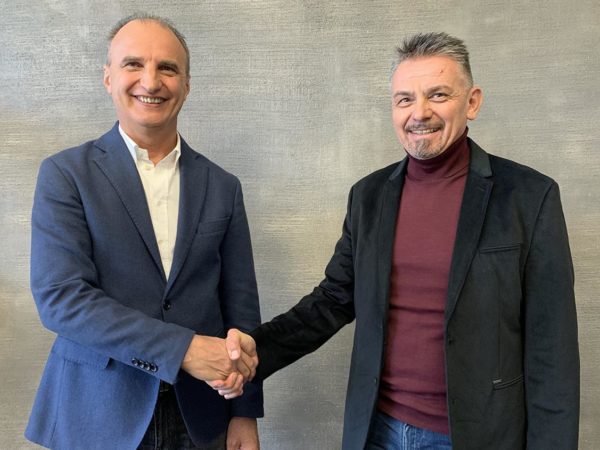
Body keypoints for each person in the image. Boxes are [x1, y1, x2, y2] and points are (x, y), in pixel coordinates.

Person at [221, 32, 580, 449]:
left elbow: (553, 351)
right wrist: (257, 349)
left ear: (472, 102)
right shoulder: (368, 197)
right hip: (377, 430)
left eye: (438, 95)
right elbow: (333, 300)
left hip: (476, 435)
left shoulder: (529, 197)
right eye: (405, 99)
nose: (419, 113)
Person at [26, 14, 262, 450]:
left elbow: (241, 309)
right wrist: (183, 349)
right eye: (133, 64)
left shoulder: (223, 186)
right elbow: (62, 299)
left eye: (167, 68)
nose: (151, 82)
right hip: (97, 415)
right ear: (108, 77)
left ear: (186, 85)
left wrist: (245, 412)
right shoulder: (66, 174)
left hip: (202, 418)